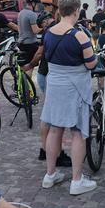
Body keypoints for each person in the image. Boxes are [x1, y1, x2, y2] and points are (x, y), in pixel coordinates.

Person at [40, 0, 98, 195]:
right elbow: (91, 63)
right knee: (77, 132)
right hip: (75, 87)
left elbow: (46, 56)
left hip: (55, 84)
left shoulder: (48, 33)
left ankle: (50, 175)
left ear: (59, 11)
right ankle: (76, 180)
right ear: (76, 11)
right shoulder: (79, 35)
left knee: (55, 129)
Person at [26, 11, 72, 168]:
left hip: (44, 74)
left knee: (48, 115)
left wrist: (31, 65)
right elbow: (40, 52)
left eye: (42, 23)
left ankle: (45, 149)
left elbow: (40, 52)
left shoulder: (50, 30)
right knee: (55, 118)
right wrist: (31, 64)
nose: (42, 27)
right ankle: (55, 153)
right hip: (50, 76)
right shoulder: (57, 30)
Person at [17, 0, 42, 68]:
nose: (37, 6)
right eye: (36, 4)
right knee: (30, 67)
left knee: (23, 65)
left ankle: (21, 79)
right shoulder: (32, 14)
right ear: (33, 3)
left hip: (21, 42)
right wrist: (45, 29)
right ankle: (27, 79)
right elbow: (35, 31)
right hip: (30, 43)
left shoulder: (20, 13)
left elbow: (19, 28)